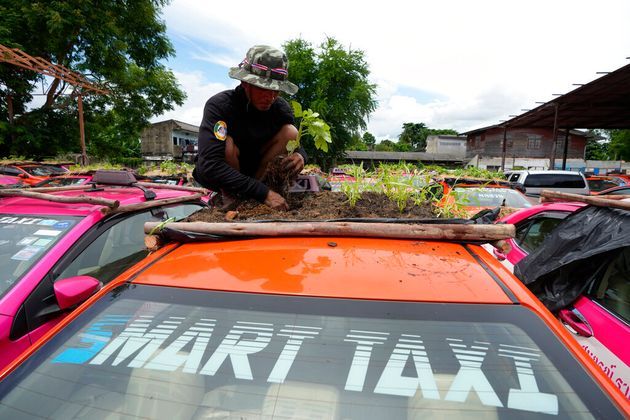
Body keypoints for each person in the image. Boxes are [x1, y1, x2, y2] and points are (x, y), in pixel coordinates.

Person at [193, 45, 306, 210]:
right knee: (227, 144)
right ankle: (234, 196)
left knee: (291, 132)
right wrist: (263, 194)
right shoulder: (220, 106)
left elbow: (296, 146)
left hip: (258, 172)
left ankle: (255, 194)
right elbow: (211, 165)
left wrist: (301, 156)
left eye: (276, 90)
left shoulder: (280, 109)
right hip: (224, 175)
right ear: (245, 83)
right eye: (263, 89)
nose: (271, 97)